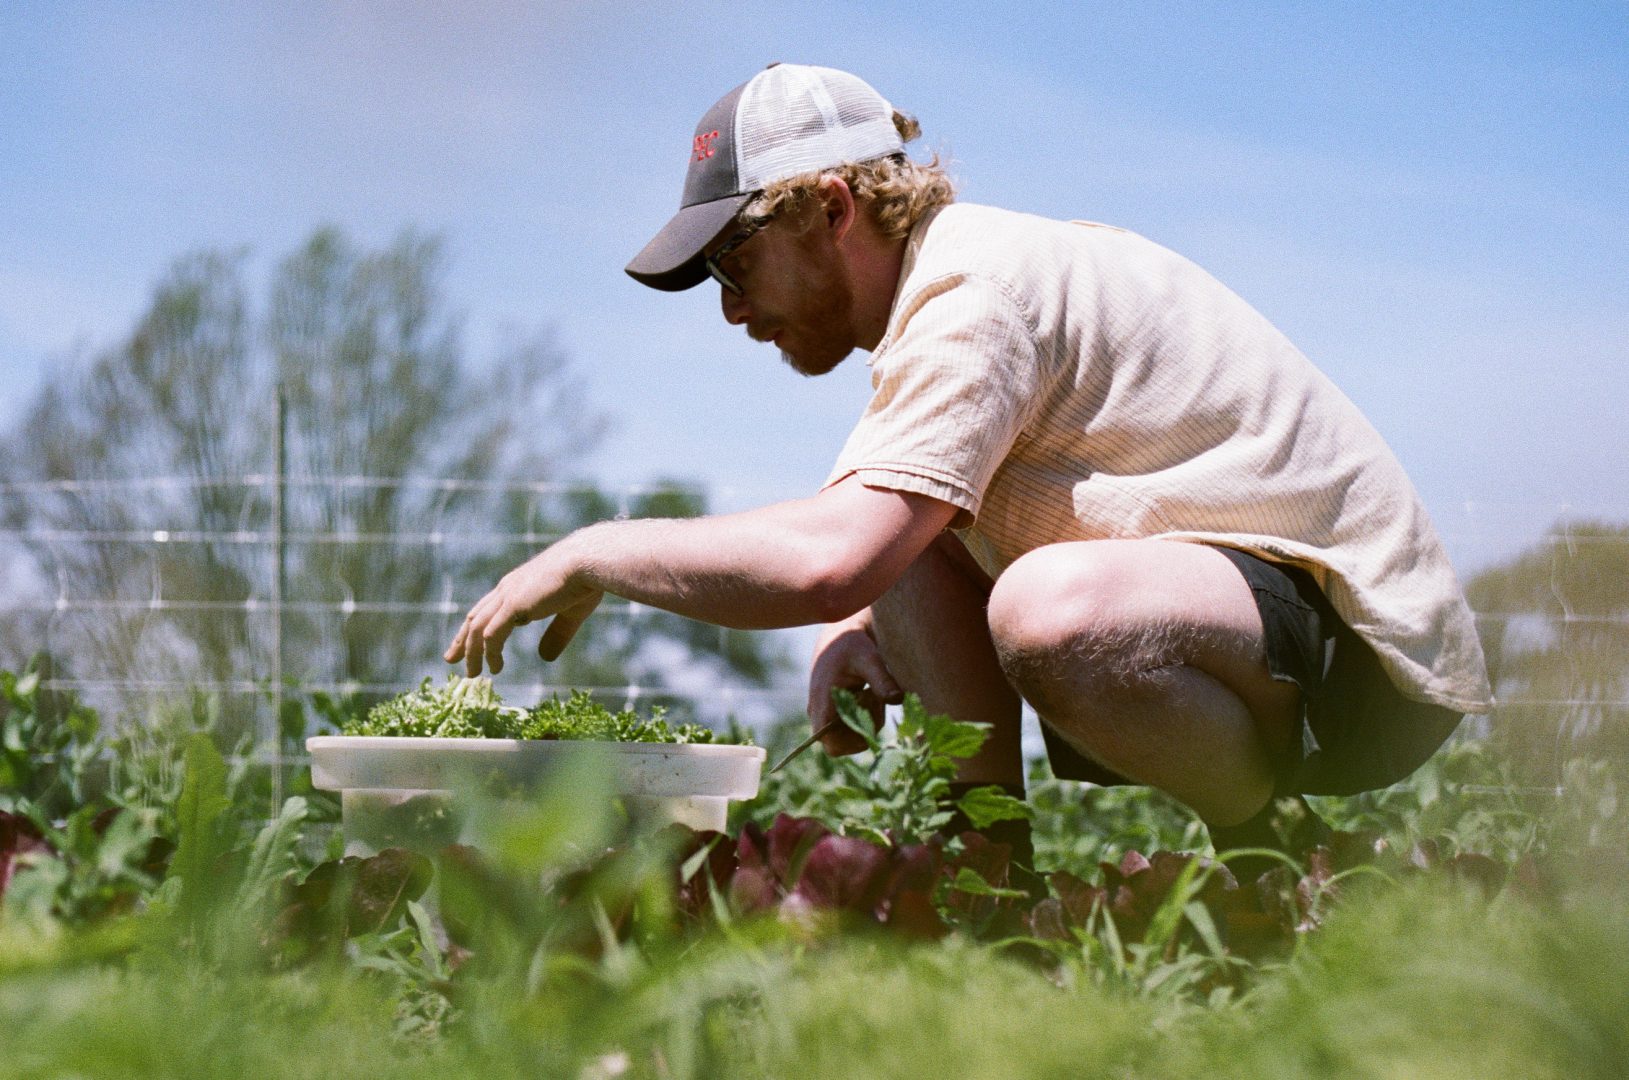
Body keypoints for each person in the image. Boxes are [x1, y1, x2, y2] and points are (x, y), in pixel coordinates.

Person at [445, 63, 1493, 870]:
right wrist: (870, 627)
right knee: (905, 532)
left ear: (831, 208)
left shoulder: (972, 300)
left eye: (734, 259)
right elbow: (877, 549)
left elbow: (826, 563)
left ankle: (1279, 857)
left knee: (1047, 611)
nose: (728, 305)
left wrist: (601, 550)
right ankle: (985, 893)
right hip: (1247, 612)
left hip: (1366, 662)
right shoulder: (947, 296)